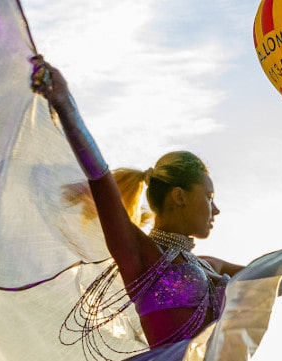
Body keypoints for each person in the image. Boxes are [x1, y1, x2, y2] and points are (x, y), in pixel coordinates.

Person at [30, 56, 244, 355]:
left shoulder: (210, 266)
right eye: (209, 198)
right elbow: (100, 177)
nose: (216, 209)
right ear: (179, 196)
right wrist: (65, 105)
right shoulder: (140, 255)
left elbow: (280, 274)